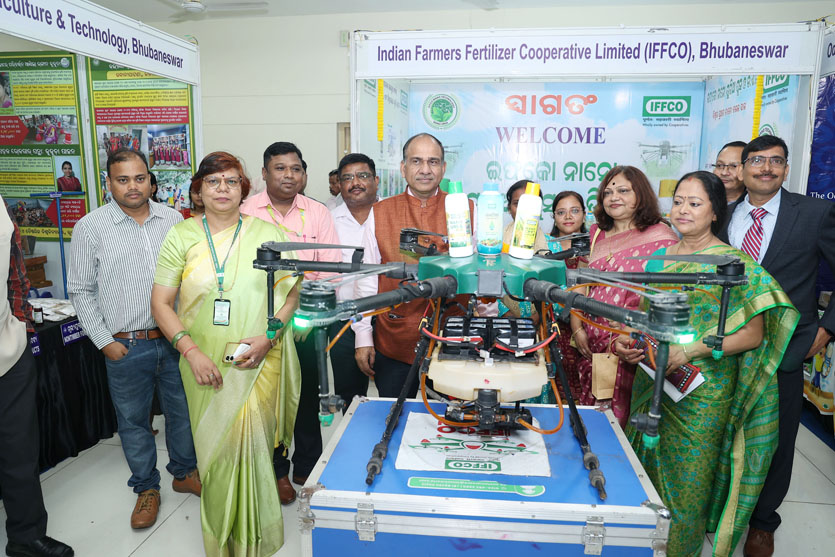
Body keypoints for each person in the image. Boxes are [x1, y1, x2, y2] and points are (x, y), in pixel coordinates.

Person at [613, 171, 798, 557]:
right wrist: (632, 344)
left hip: (702, 394)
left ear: (716, 212)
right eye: (678, 200)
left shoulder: (732, 263)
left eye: (695, 203)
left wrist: (691, 350)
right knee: (642, 472)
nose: (683, 210)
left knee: (687, 485)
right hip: (653, 380)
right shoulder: (662, 257)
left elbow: (753, 335)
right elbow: (647, 317)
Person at [151, 151, 301, 556]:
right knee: (213, 453)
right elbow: (161, 304)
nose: (222, 189)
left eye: (232, 181)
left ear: (243, 189)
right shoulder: (181, 235)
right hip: (201, 361)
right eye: (213, 181)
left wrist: (270, 337)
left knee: (253, 446)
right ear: (198, 190)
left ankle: (258, 539)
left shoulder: (267, 234)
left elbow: (291, 296)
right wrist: (191, 352)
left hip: (257, 359)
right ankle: (222, 542)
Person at [67, 149, 200, 530]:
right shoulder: (90, 227)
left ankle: (184, 471)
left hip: (174, 340)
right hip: (125, 345)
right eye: (122, 179)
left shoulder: (173, 220)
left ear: (150, 180)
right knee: (133, 422)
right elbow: (80, 290)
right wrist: (104, 341)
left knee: (182, 414)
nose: (132, 186)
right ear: (108, 182)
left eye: (139, 178)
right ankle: (146, 488)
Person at [718, 135, 835, 557]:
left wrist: (825, 330)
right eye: (757, 161)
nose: (766, 168)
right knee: (724, 429)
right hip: (725, 346)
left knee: (778, 439)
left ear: (786, 168)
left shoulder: (816, 213)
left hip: (787, 346)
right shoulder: (721, 215)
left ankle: (764, 523)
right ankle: (722, 509)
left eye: (776, 161)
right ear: (742, 168)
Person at [240, 141, 341, 505]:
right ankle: (276, 469)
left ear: (304, 174)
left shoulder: (316, 213)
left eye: (295, 169)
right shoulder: (244, 211)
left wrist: (302, 293)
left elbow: (329, 268)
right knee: (265, 397)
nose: (288, 175)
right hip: (255, 319)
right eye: (279, 168)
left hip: (305, 320)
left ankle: (307, 464)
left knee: (305, 394)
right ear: (264, 173)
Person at [570, 166, 678, 427]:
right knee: (590, 423)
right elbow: (580, 284)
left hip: (631, 350)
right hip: (591, 349)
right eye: (607, 192)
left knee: (621, 425)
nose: (613, 197)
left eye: (623, 190)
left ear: (640, 195)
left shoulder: (662, 236)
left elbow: (663, 300)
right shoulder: (597, 233)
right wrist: (577, 328)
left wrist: (630, 335)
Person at [368, 133, 473, 398]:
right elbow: (367, 280)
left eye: (433, 162)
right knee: (393, 419)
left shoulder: (467, 208)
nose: (425, 170)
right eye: (416, 161)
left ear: (443, 168)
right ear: (403, 168)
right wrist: (361, 338)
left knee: (450, 422)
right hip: (393, 340)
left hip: (451, 341)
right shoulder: (379, 212)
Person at [1, 197, 74, 557]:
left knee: (19, 451)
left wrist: (22, 325)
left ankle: (26, 535)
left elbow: (15, 272)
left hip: (9, 351)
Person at [329, 154, 379, 406]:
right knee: (351, 398)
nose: (355, 182)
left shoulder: (389, 215)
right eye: (347, 178)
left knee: (394, 392)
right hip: (344, 320)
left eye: (363, 176)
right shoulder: (328, 220)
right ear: (339, 184)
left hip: (390, 318)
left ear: (376, 180)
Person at [534, 190, 587, 403]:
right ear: (554, 216)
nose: (568, 217)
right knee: (553, 385)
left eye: (574, 211)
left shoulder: (596, 245)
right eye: (561, 212)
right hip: (549, 327)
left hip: (585, 326)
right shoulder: (543, 246)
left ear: (584, 214)